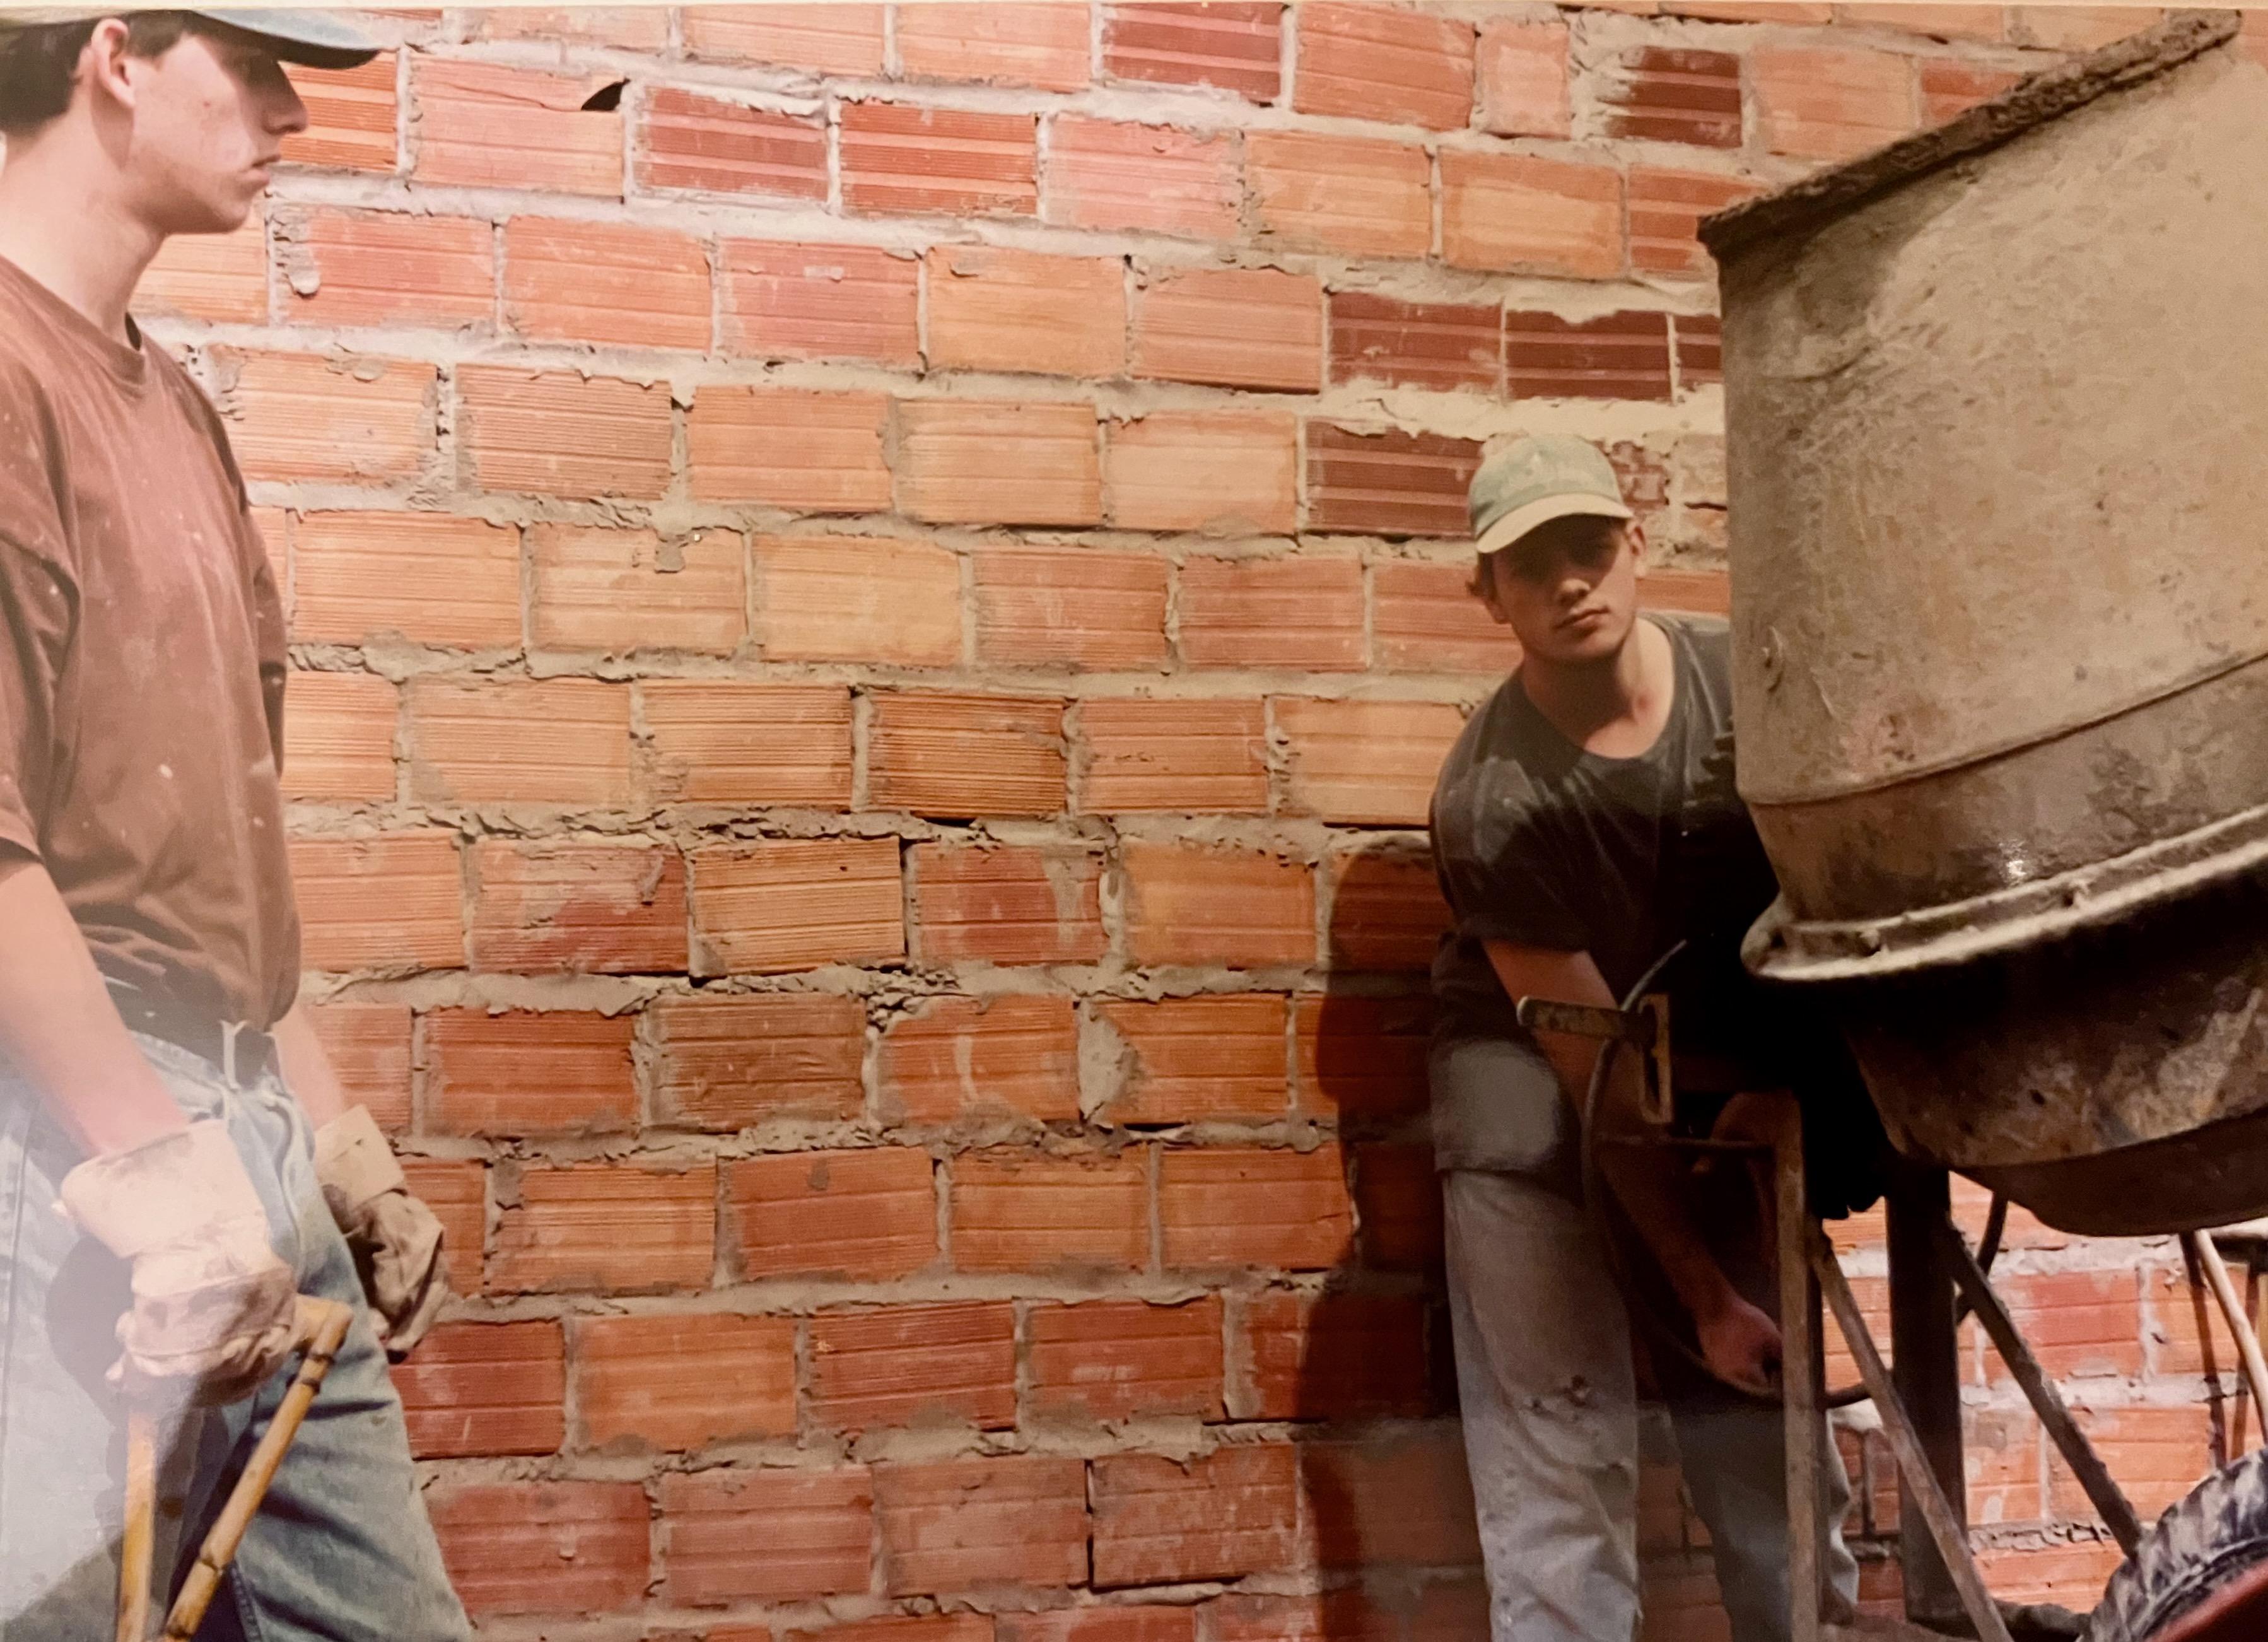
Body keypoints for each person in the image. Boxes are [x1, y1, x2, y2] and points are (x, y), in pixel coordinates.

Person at [0, 11, 469, 1638]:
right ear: (115, 53)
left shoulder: (172, 408)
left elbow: (214, 846)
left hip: (227, 1126)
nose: (288, 112)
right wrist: (142, 1158)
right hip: (60, 1143)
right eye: (253, 60)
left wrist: (325, 1134)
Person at [1426, 435, 1861, 1642]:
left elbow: (1832, 918)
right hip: (1544, 1098)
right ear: (1489, 595)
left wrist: (1792, 1098)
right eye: (1531, 565)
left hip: (1720, 1072)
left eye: (1589, 547)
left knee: (1772, 1455)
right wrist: (1704, 1292)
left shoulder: (1754, 694)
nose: (1571, 583)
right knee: (1566, 1476)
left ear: (1636, 546)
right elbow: (1599, 1078)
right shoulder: (1493, 803)